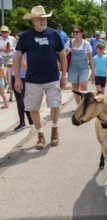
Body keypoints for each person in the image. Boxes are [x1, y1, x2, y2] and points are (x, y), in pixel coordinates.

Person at [14, 5, 67, 149]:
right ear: (33, 20)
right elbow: (17, 58)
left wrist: (64, 75)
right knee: (34, 108)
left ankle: (55, 130)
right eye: (40, 18)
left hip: (52, 78)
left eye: (45, 18)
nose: (43, 21)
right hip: (32, 80)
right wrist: (17, 78)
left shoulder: (54, 34)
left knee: (55, 105)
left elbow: (62, 55)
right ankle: (40, 135)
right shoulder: (25, 36)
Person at [65, 26, 95, 106]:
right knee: (75, 87)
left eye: (77, 32)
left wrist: (93, 71)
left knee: (83, 84)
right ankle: (78, 105)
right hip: (73, 68)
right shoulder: (69, 43)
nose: (75, 33)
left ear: (81, 33)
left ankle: (84, 104)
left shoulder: (86, 44)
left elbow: (90, 58)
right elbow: (63, 55)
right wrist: (68, 51)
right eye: (74, 32)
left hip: (83, 68)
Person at [11, 45, 33, 131]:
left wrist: (22, 56)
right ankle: (22, 122)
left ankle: (29, 115)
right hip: (15, 78)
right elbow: (13, 67)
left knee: (22, 101)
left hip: (25, 79)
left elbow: (25, 68)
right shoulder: (14, 53)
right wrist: (10, 81)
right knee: (18, 102)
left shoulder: (29, 54)